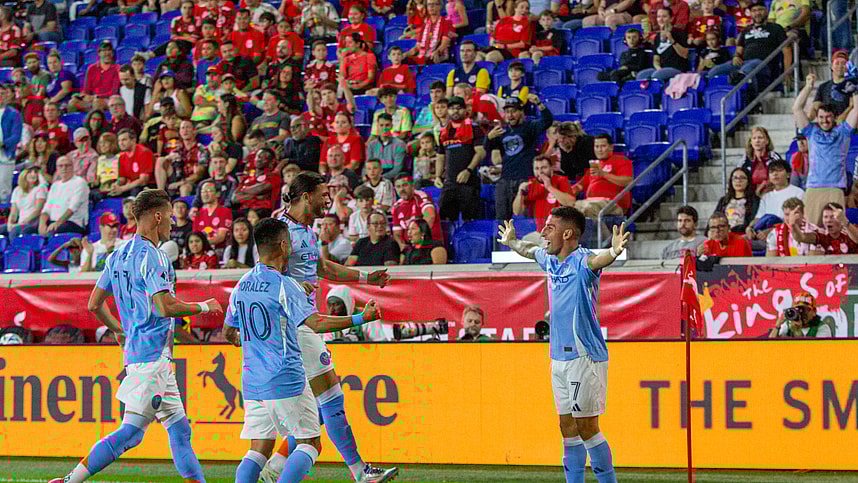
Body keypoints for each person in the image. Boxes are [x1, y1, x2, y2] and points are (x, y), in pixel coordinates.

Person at [49, 189, 220, 483]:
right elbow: (165, 306)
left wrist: (118, 330)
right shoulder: (155, 257)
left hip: (145, 356)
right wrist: (204, 306)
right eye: (168, 216)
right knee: (130, 435)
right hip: (151, 359)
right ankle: (68, 481)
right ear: (156, 216)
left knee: (180, 430)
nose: (171, 223)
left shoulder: (117, 256)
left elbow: (94, 304)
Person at [221, 217, 385, 483]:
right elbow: (317, 323)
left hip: (252, 382)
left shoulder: (241, 285)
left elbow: (229, 332)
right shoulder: (287, 285)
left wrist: (252, 342)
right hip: (285, 379)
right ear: (284, 246)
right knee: (309, 443)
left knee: (258, 450)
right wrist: (360, 318)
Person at [262, 171, 397, 483]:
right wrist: (292, 288)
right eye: (324, 194)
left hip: (302, 326)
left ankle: (278, 465)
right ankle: (360, 472)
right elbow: (265, 275)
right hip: (295, 327)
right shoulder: (280, 232)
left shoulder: (306, 232)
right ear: (307, 196)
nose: (328, 200)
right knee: (332, 399)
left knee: (317, 407)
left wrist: (366, 278)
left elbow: (321, 268)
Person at [497, 206, 626, 483]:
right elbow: (530, 250)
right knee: (566, 426)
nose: (543, 232)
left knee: (587, 427)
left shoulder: (583, 262)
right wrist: (511, 241)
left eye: (549, 228)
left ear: (567, 233)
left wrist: (614, 252)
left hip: (584, 356)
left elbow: (598, 261)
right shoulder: (551, 260)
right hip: (558, 358)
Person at [794, 72, 858, 226]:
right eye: (821, 117)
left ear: (834, 117)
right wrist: (809, 87)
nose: (824, 121)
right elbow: (797, 108)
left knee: (836, 232)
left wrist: (855, 90)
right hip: (813, 187)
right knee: (808, 231)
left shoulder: (843, 132)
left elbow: (856, 110)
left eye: (828, 117)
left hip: (835, 188)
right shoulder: (811, 132)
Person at [486, 95, 554, 225]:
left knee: (526, 220)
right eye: (507, 112)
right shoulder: (501, 131)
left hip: (525, 179)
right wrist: (488, 138)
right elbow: (488, 149)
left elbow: (547, 121)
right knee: (501, 220)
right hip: (505, 179)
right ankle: (503, 245)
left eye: (514, 111)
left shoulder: (530, 126)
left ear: (521, 112)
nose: (510, 115)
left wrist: (539, 104)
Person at [568, 134, 633, 217]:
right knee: (567, 210)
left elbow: (628, 182)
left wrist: (603, 174)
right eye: (597, 146)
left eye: (603, 146)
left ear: (611, 147)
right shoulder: (594, 166)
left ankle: (602, 230)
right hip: (590, 202)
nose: (599, 150)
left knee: (586, 209)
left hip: (613, 203)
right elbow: (579, 186)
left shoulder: (621, 160)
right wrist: (562, 193)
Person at [744, 160, 805, 243]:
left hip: (787, 233)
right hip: (764, 233)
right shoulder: (766, 196)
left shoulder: (798, 192)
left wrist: (773, 230)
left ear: (788, 174)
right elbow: (759, 218)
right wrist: (749, 228)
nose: (775, 174)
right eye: (772, 172)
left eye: (779, 171)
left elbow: (798, 219)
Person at [513, 155, 575, 231]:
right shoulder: (531, 184)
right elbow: (517, 212)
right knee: (522, 242)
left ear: (551, 168)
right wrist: (520, 193)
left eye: (544, 168)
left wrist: (549, 187)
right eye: (536, 168)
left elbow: (571, 203)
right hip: (540, 232)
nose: (540, 172)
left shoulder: (561, 180)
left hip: (559, 231)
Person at [36, 157, 89, 236]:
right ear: (57, 169)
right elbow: (46, 209)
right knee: (27, 231)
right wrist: (42, 224)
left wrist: (58, 223)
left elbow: (73, 208)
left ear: (72, 167)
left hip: (73, 223)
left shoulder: (80, 182)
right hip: (53, 222)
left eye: (67, 165)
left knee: (52, 232)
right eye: (61, 166)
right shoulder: (55, 185)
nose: (64, 168)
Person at [636, 8, 690, 83]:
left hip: (677, 69)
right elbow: (656, 59)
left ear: (671, 18)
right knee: (641, 76)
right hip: (661, 69)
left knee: (657, 76)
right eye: (658, 17)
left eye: (664, 16)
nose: (660, 19)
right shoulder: (657, 37)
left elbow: (685, 54)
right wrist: (659, 68)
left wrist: (671, 40)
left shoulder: (680, 33)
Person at [392, 173, 442, 247]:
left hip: (428, 243)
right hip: (410, 247)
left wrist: (418, 238)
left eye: (405, 185)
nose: (402, 189)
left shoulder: (421, 196)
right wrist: (401, 245)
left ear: (412, 186)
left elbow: (430, 216)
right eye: (398, 187)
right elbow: (397, 233)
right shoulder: (396, 206)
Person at [790, 202, 858, 254]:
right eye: (825, 217)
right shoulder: (822, 235)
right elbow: (801, 238)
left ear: (841, 217)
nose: (828, 220)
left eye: (832, 217)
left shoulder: (851, 229)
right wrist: (793, 225)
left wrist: (845, 221)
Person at [403, 0, 454, 65]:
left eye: (434, 4)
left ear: (440, 6)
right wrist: (405, 54)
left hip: (436, 57)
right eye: (429, 4)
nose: (431, 7)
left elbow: (444, 44)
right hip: (422, 57)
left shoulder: (447, 23)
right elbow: (418, 47)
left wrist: (437, 52)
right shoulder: (425, 24)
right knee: (401, 59)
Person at [2, 167, 47, 237]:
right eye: (30, 172)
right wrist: (9, 223)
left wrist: (22, 223)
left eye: (36, 172)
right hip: (20, 223)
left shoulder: (40, 188)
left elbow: (38, 211)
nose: (33, 174)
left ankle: (14, 247)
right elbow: (14, 212)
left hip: (32, 224)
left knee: (16, 230)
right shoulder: (17, 190)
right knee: (2, 229)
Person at [737, 126, 783, 195]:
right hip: (750, 195)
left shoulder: (774, 157)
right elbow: (737, 177)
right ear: (751, 142)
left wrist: (762, 186)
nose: (757, 141)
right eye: (754, 138)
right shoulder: (745, 159)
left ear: (767, 141)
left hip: (772, 193)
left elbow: (781, 176)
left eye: (760, 138)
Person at [714, 167, 760, 233]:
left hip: (743, 235)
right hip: (723, 234)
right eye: (735, 178)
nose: (738, 181)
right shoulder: (724, 200)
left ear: (748, 181)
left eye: (742, 178)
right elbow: (715, 218)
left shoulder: (754, 200)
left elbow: (752, 221)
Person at [809, 51, 851, 121]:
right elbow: (815, 107)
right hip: (828, 123)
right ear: (832, 66)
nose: (840, 66)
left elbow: (853, 106)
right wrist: (808, 120)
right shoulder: (823, 86)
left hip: (847, 125)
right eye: (837, 63)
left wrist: (842, 117)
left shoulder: (853, 85)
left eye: (843, 64)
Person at [768, 292, 832, 338]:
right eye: (798, 309)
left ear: (814, 312)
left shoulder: (822, 328)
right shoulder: (787, 325)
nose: (801, 313)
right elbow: (770, 346)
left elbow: (815, 352)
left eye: (806, 310)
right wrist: (777, 326)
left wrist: (797, 332)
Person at [111, 129, 154, 197]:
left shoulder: (144, 152)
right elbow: (122, 178)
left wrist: (122, 188)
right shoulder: (122, 156)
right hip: (131, 186)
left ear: (133, 140)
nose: (121, 143)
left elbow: (143, 180)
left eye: (124, 140)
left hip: (147, 186)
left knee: (135, 191)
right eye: (119, 140)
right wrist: (116, 185)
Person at [194, 180, 233, 251]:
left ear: (218, 194)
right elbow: (194, 237)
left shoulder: (224, 211)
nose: (205, 194)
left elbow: (221, 237)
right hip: (201, 251)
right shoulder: (198, 213)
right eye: (203, 191)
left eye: (209, 191)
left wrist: (202, 244)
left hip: (219, 250)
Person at [0, 82, 23, 202]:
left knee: (3, 190)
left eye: (3, 94)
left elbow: (16, 136)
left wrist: (3, 143)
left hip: (6, 156)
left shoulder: (14, 114)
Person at [366, 113, 408, 180]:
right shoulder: (371, 145)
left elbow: (397, 168)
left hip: (392, 177)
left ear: (392, 126)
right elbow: (367, 164)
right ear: (377, 126)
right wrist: (365, 176)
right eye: (381, 125)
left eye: (387, 125)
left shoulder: (399, 144)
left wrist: (381, 178)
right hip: (374, 175)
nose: (384, 128)